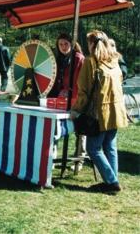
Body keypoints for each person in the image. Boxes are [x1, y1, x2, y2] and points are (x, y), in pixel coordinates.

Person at [71, 30, 128, 193]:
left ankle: (112, 181)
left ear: (92, 44)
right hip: (116, 112)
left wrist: (76, 109)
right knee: (110, 146)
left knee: (93, 148)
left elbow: (84, 91)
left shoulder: (91, 62)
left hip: (100, 114)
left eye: (89, 42)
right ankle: (112, 182)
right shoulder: (114, 61)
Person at [48, 33, 85, 169]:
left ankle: (78, 161)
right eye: (61, 44)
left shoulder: (78, 59)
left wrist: (69, 92)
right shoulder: (58, 59)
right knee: (55, 126)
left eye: (66, 44)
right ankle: (52, 158)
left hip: (77, 99)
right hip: (60, 99)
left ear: (72, 44)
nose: (63, 47)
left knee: (80, 130)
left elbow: (80, 81)